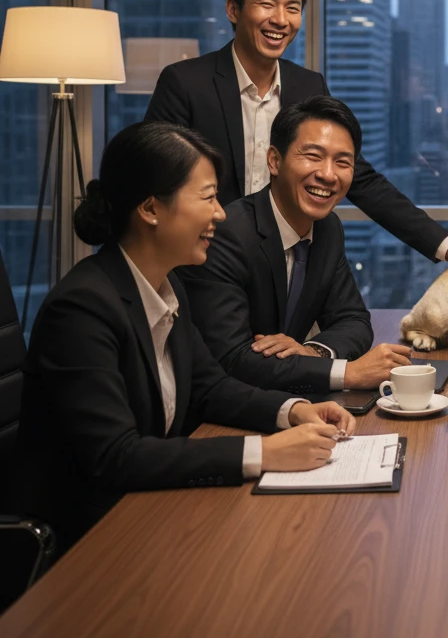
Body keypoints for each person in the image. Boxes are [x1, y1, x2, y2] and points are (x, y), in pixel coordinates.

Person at [15, 121, 356, 553]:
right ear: (152, 209)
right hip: (85, 543)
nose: (219, 213)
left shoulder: (167, 287)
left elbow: (210, 388)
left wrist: (294, 410)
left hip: (149, 512)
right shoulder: (82, 309)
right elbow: (116, 457)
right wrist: (265, 454)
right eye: (209, 197)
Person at [146, 0, 448, 268]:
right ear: (233, 10)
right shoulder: (186, 83)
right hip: (201, 265)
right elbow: (155, 179)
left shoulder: (308, 86)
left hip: (282, 265)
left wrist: (444, 243)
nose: (281, 20)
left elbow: (360, 178)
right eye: (267, 4)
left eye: (293, 8)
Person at [180, 95, 412, 393]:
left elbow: (352, 319)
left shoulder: (328, 229)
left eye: (342, 162)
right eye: (313, 156)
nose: (328, 175)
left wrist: (314, 352)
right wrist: (346, 373)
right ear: (274, 161)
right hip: (214, 415)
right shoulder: (227, 234)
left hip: (288, 400)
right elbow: (232, 358)